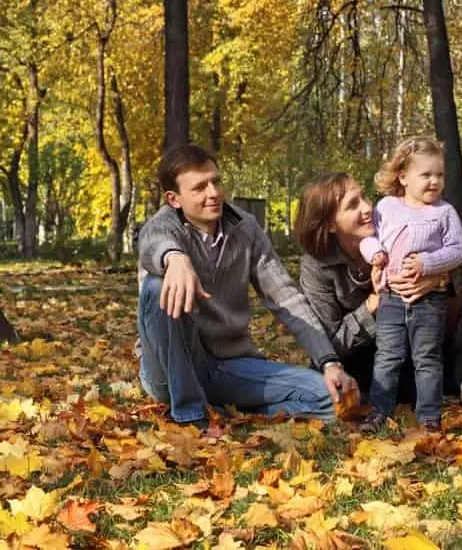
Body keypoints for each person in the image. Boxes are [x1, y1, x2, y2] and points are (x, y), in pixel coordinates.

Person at [136, 144, 356, 428]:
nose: (213, 193)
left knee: (328, 399)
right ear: (173, 199)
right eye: (199, 187)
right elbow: (153, 240)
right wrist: (175, 259)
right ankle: (191, 416)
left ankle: (226, 413)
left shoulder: (245, 227)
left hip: (228, 365)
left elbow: (285, 297)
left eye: (215, 181)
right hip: (167, 369)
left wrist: (329, 362)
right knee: (157, 286)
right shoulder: (162, 225)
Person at [294, 172, 462, 407]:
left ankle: (458, 380)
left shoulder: (391, 225)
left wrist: (437, 274)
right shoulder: (316, 266)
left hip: (418, 339)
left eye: (364, 197)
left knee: (452, 295)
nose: (367, 208)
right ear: (330, 224)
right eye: (353, 205)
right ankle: (416, 390)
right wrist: (372, 305)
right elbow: (330, 345)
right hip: (368, 356)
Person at [359, 136, 462, 431]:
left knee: (427, 358)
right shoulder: (386, 207)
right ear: (403, 177)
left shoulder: (444, 213)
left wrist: (427, 264)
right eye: (426, 175)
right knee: (387, 356)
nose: (434, 181)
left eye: (440, 175)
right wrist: (375, 255)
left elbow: (457, 250)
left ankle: (429, 416)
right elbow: (369, 239)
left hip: (430, 301)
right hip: (391, 298)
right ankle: (379, 411)